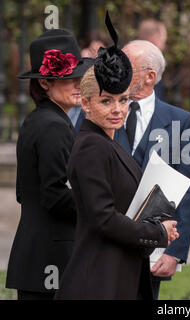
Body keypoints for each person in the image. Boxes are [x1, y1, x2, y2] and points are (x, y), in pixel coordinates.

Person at [55, 14, 179, 300]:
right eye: (106, 101)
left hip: (118, 273)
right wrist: (157, 233)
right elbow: (104, 218)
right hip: (98, 279)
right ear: (85, 103)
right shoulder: (91, 146)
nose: (117, 109)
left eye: (123, 100)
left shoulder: (107, 142)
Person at [6, 29, 93, 300]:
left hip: (38, 255)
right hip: (52, 256)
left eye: (80, 75)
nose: (78, 83)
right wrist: (99, 209)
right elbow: (55, 195)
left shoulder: (39, 120)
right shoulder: (53, 126)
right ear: (44, 82)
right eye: (69, 78)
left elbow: (25, 192)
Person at [116, 40, 190, 299]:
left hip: (151, 243)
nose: (118, 72)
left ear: (150, 76)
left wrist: (175, 252)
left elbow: (188, 187)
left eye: (127, 67)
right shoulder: (104, 111)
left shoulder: (179, 120)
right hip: (107, 236)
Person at [138, 18, 168, 101]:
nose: (164, 46)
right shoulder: (151, 63)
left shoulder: (133, 58)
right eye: (163, 40)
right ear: (155, 38)